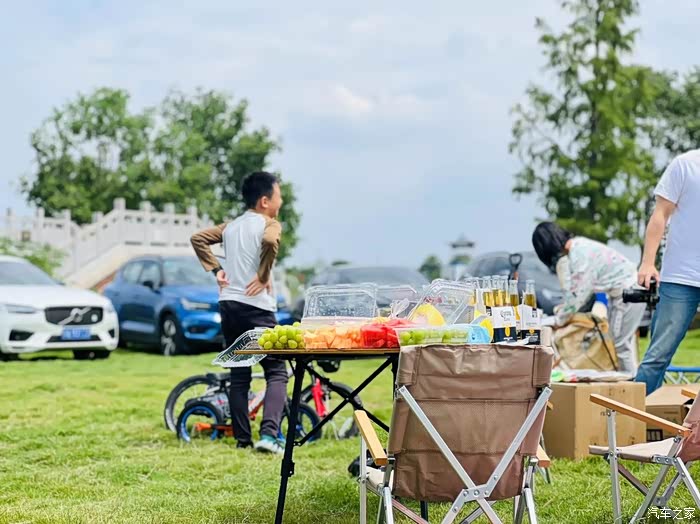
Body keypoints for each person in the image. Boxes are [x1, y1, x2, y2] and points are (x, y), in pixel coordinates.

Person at [190, 171, 287, 454]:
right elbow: (270, 242)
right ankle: (269, 436)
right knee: (276, 371)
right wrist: (263, 274)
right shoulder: (270, 223)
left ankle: (242, 439)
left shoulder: (231, 227)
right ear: (265, 201)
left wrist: (216, 270)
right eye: (279, 196)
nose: (281, 202)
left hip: (229, 305)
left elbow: (198, 238)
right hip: (256, 307)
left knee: (239, 374)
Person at [532, 222, 646, 375]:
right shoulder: (578, 247)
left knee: (621, 344)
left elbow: (577, 296)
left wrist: (558, 319)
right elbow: (574, 292)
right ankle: (628, 381)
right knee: (618, 342)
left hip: (629, 292)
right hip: (620, 294)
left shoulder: (579, 255)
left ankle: (632, 385)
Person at [635, 150, 700, 395]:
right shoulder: (685, 165)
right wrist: (647, 263)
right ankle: (634, 415)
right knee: (658, 355)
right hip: (681, 277)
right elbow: (660, 214)